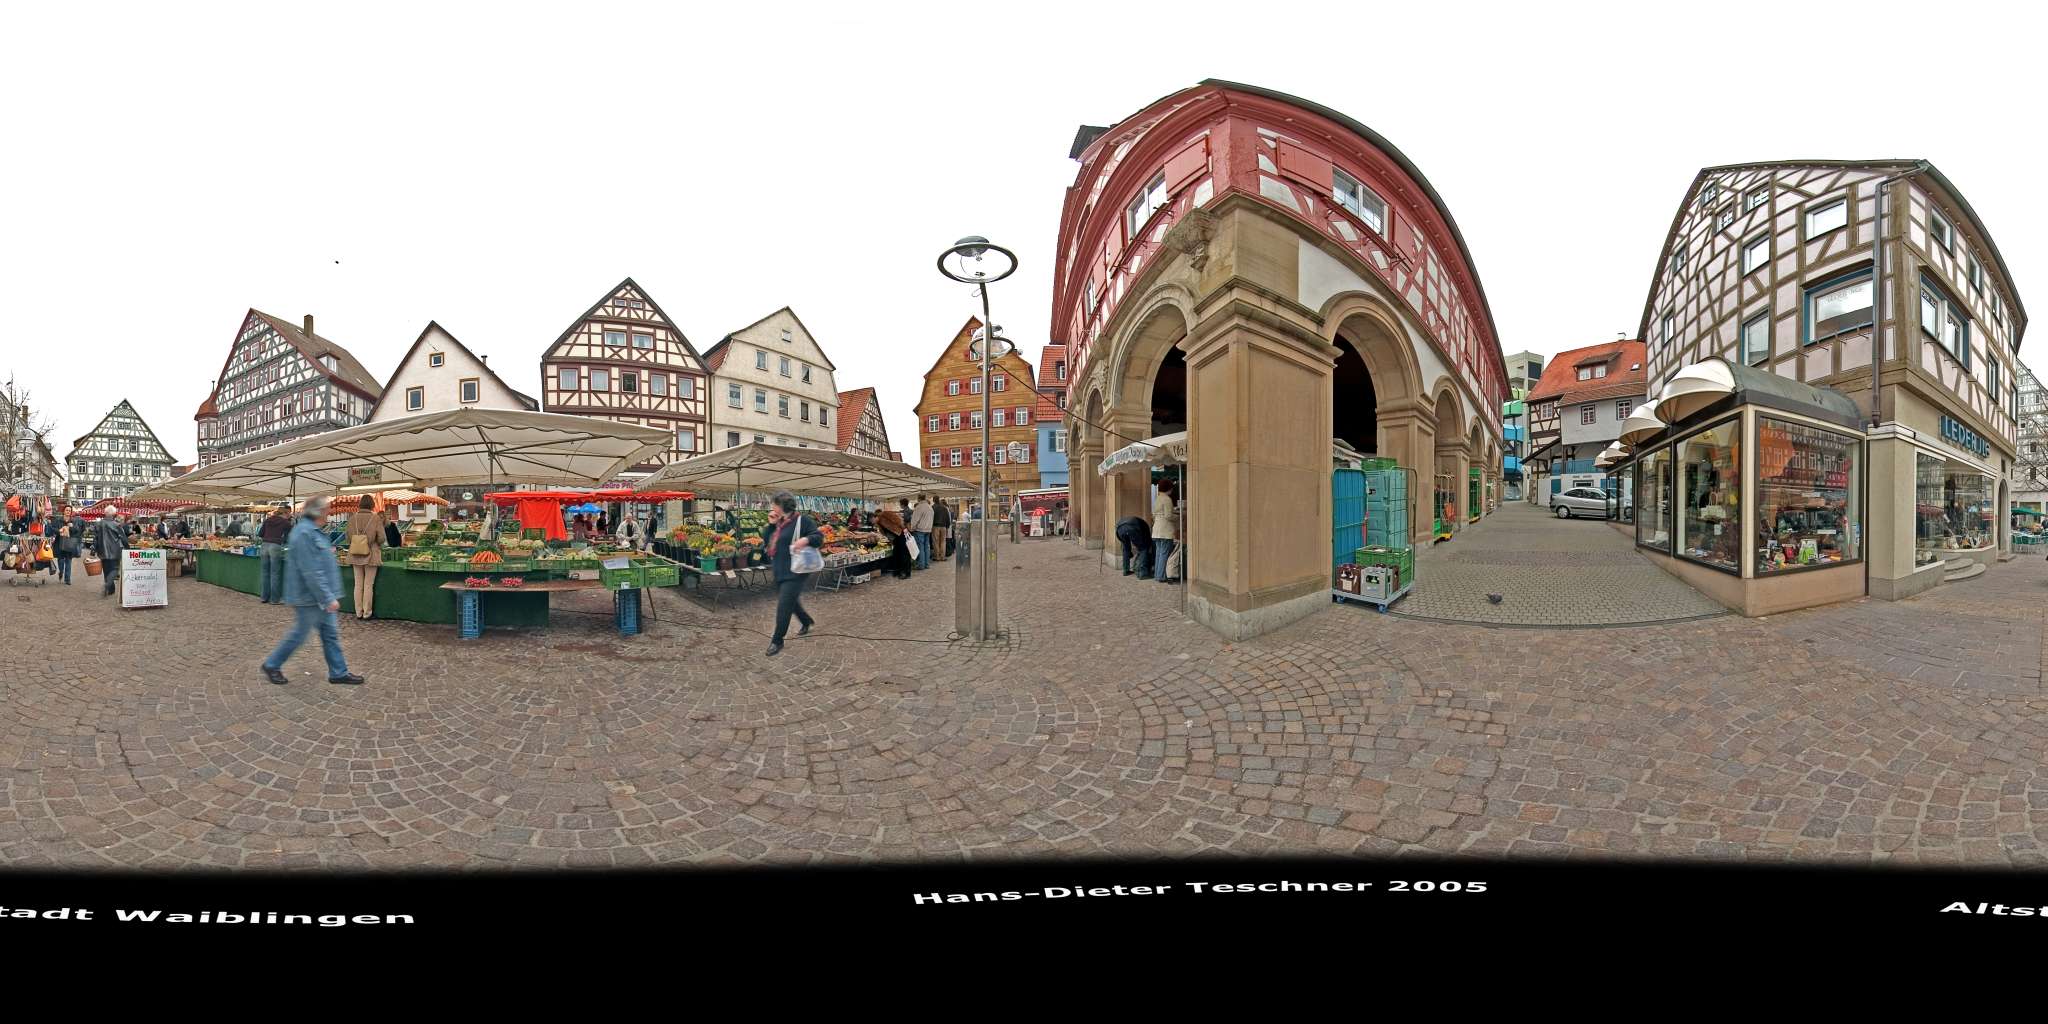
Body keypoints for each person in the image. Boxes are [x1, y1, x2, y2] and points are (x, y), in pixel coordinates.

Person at [261, 497, 363, 686]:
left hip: (318, 596)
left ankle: (338, 672)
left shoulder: (313, 531)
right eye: (326, 510)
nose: (328, 513)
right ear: (317, 512)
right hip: (309, 597)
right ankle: (272, 664)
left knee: (330, 634)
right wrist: (327, 597)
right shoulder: (304, 533)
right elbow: (311, 571)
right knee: (299, 634)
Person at [762, 491, 823, 657]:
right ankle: (806, 621)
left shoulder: (802, 521)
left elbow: (818, 537)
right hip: (780, 569)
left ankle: (777, 640)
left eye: (775, 505)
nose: (772, 508)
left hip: (796, 571)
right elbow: (766, 541)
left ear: (782, 507)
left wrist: (805, 540)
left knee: (784, 605)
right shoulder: (779, 522)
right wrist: (771, 524)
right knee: (790, 601)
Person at [345, 493, 387, 620]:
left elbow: (347, 539)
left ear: (360, 504)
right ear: (372, 505)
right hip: (371, 554)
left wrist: (357, 542)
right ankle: (367, 613)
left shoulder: (352, 518)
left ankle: (358, 612)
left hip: (355, 554)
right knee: (368, 584)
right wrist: (373, 542)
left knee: (358, 585)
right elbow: (381, 538)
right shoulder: (376, 519)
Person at [257, 506, 291, 604]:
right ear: (284, 513)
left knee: (265, 573)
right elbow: (289, 535)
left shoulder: (267, 520)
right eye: (288, 514)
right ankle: (275, 599)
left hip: (264, 546)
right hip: (275, 546)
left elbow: (260, 533)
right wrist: (282, 540)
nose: (289, 516)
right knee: (275, 574)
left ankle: (264, 597)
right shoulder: (285, 522)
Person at [1151, 479, 1179, 583]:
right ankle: (1161, 576)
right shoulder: (1167, 499)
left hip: (1156, 530)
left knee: (1158, 553)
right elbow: (1168, 516)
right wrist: (1179, 516)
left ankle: (1157, 574)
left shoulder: (1158, 499)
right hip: (1165, 531)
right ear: (1169, 488)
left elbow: (1155, 515)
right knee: (1164, 553)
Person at [93, 511, 126, 597]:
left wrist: (94, 549)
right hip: (114, 551)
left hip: (102, 551)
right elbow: (123, 538)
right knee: (115, 569)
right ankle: (107, 585)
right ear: (113, 515)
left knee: (106, 570)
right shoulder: (116, 525)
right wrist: (128, 547)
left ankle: (110, 590)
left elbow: (95, 538)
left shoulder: (98, 524)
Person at [874, 504, 910, 579]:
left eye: (872, 520)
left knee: (903, 554)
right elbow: (885, 533)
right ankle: (898, 571)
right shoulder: (878, 523)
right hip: (895, 538)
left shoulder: (885, 514)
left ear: (875, 517)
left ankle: (905, 572)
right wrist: (890, 540)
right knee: (896, 553)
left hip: (900, 533)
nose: (872, 523)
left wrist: (903, 528)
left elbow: (897, 519)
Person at [51, 517, 78, 585]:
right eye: (67, 510)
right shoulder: (58, 520)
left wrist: (71, 527)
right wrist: (59, 530)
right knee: (60, 560)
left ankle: (67, 579)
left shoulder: (73, 521)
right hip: (60, 543)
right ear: (64, 512)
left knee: (68, 561)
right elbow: (53, 529)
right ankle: (61, 571)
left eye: (69, 510)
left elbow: (77, 530)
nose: (68, 511)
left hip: (69, 543)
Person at [909, 494, 934, 571]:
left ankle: (921, 565)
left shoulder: (919, 507)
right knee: (927, 547)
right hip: (928, 529)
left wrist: (912, 527)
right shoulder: (930, 507)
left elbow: (915, 519)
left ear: (918, 499)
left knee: (921, 548)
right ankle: (927, 564)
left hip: (920, 530)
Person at [931, 496, 952, 562]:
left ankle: (937, 557)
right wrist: (947, 526)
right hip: (943, 527)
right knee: (943, 542)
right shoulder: (944, 507)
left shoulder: (933, 507)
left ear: (934, 500)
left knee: (936, 542)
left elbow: (931, 518)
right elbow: (948, 518)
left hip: (935, 526)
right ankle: (942, 557)